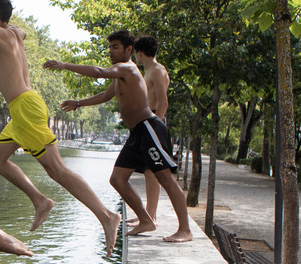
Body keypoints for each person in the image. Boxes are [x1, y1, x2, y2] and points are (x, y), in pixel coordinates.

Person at [0, 0, 121, 255]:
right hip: (22, 108)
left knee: (58, 171)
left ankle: (106, 216)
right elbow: (18, 30)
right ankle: (40, 200)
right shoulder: (14, 32)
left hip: (26, 107)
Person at [43, 30, 192, 243]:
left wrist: (65, 65)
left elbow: (97, 71)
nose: (111, 52)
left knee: (165, 178)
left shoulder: (127, 68)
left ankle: (185, 229)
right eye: (110, 47)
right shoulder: (119, 74)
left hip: (149, 128)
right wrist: (79, 103)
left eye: (116, 47)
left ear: (129, 50)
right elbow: (105, 95)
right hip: (136, 134)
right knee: (117, 179)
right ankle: (145, 219)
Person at [129, 36, 172, 228]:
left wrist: (156, 125)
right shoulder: (149, 71)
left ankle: (151, 216)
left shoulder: (157, 71)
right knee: (148, 171)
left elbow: (163, 101)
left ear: (139, 52)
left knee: (152, 172)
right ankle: (147, 214)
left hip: (154, 121)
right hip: (148, 120)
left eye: (135, 52)